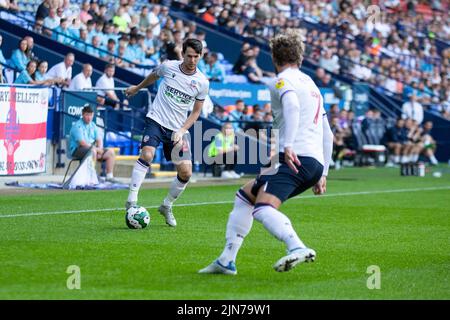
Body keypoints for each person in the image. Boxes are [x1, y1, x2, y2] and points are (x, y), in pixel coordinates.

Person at [199, 30, 333, 275]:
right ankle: (226, 260)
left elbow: (291, 105)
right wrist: (323, 172)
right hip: (312, 161)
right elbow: (329, 133)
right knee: (244, 196)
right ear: (300, 57)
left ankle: (296, 247)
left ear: (273, 57)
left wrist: (289, 144)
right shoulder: (312, 84)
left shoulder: (281, 81)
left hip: (293, 157)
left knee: (263, 208)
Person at [124, 38, 209, 227]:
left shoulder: (202, 82)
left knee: (186, 172)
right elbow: (153, 76)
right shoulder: (169, 67)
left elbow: (196, 112)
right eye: (189, 56)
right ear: (183, 54)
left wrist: (182, 130)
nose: (192, 60)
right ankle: (132, 200)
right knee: (147, 154)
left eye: (196, 57)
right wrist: (137, 88)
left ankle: (166, 205)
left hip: (177, 129)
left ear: (200, 56)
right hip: (156, 119)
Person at [69, 105, 117, 182]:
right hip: (77, 150)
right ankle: (92, 176)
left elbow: (99, 139)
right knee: (92, 151)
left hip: (92, 149)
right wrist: (96, 149)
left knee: (110, 152)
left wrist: (100, 149)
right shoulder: (77, 126)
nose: (89, 117)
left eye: (90, 115)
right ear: (82, 114)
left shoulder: (93, 125)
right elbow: (82, 143)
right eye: (87, 115)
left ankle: (109, 177)